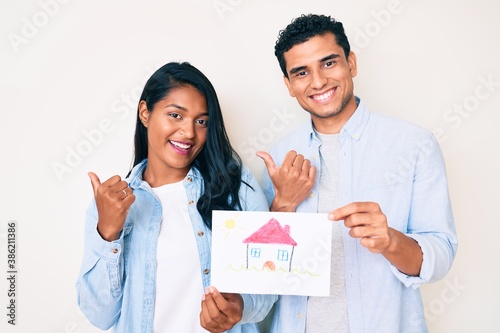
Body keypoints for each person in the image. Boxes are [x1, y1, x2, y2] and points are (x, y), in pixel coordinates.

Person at [257, 14, 458, 332]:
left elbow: (441, 255)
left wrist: (391, 240)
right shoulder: (278, 157)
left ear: (351, 63)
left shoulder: (414, 145)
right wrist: (283, 206)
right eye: (301, 72)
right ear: (289, 85)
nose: (319, 81)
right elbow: (263, 274)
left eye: (328, 63)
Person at [76, 61, 276, 333]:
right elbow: (100, 315)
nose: (189, 133)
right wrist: (109, 232)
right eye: (176, 115)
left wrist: (239, 306)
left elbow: (268, 284)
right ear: (145, 113)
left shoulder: (237, 188)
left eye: (202, 121)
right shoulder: (111, 204)